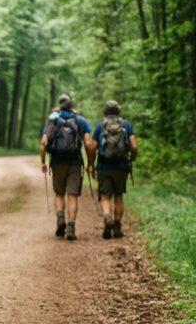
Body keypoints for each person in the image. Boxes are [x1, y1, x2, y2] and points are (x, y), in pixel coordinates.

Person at [40, 94, 93, 241]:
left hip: (57, 162)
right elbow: (89, 144)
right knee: (72, 195)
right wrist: (90, 163)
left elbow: (44, 143)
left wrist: (43, 161)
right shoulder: (80, 120)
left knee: (59, 194)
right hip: (75, 162)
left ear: (60, 104)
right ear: (71, 105)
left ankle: (60, 219)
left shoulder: (53, 119)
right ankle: (71, 226)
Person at [89, 100, 138, 239]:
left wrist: (92, 163)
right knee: (118, 195)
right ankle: (117, 227)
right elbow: (134, 146)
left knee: (105, 196)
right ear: (118, 111)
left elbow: (92, 147)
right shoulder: (126, 125)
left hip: (104, 166)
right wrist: (132, 159)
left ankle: (107, 217)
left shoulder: (100, 126)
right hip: (121, 166)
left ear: (105, 111)